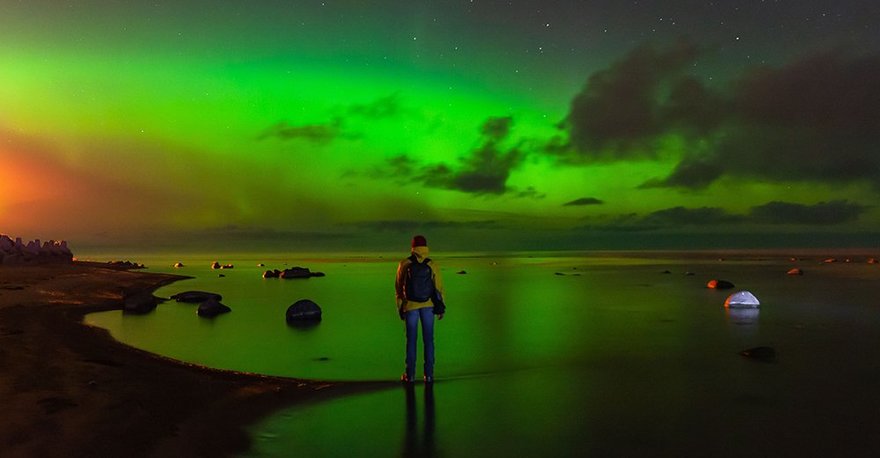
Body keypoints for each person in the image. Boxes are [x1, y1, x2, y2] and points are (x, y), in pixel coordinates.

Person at [395, 235, 445, 383]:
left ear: (412, 247)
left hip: (410, 307)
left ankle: (409, 375)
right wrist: (441, 308)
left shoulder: (404, 263)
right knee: (429, 340)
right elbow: (438, 288)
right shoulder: (432, 264)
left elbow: (398, 288)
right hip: (428, 306)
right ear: (426, 247)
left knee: (411, 341)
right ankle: (428, 375)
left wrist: (400, 308)